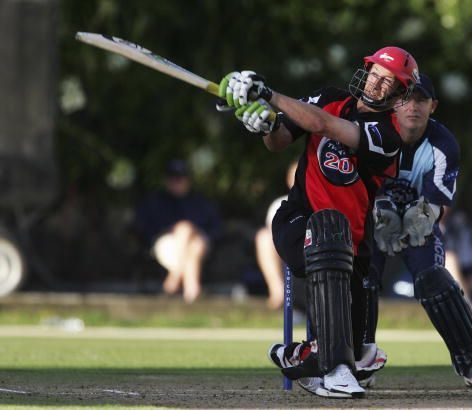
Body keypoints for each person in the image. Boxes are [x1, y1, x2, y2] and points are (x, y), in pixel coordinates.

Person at [218, 46, 419, 398]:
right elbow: (279, 141)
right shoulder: (329, 97)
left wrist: (267, 94)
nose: (377, 82)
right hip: (298, 219)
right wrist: (266, 123)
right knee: (324, 232)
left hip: (352, 243)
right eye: (375, 72)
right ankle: (332, 366)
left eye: (389, 81)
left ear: (400, 93)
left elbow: (322, 125)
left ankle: (306, 356)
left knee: (352, 349)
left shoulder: (388, 136)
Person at [370, 74, 472, 388]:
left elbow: (440, 203)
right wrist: (377, 210)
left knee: (434, 280)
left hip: (419, 224)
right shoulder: (374, 132)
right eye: (405, 98)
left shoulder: (444, 144)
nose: (412, 106)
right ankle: (359, 359)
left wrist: (422, 216)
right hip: (373, 222)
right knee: (360, 279)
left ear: (432, 105)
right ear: (392, 103)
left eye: (420, 100)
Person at [133, 159, 221, 303]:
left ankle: (175, 282)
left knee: (193, 239)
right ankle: (191, 291)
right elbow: (145, 230)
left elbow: (215, 230)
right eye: (173, 178)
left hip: (200, 244)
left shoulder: (201, 203)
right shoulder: (155, 202)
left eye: (181, 177)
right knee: (188, 235)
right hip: (166, 245)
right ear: (166, 180)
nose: (177, 181)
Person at [254, 160, 298, 309]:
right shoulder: (280, 204)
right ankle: (278, 291)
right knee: (263, 237)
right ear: (288, 180)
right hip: (286, 248)